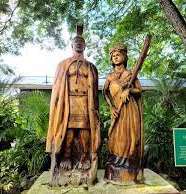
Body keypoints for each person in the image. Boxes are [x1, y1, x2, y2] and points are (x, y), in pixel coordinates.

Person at [45, 29, 100, 186]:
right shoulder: (63, 65)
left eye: (81, 42)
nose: (79, 43)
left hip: (85, 101)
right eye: (76, 41)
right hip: (68, 101)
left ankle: (84, 156)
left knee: (85, 129)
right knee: (67, 129)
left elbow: (95, 91)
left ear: (85, 46)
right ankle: (67, 155)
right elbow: (57, 88)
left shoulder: (90, 67)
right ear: (71, 45)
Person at [103, 44, 144, 183]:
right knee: (115, 136)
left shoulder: (130, 75)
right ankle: (115, 161)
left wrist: (129, 90)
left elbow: (139, 90)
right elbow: (105, 93)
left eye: (118, 54)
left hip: (130, 110)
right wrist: (111, 108)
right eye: (113, 55)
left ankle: (129, 163)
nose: (115, 56)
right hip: (118, 112)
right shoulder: (109, 76)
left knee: (129, 136)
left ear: (124, 57)